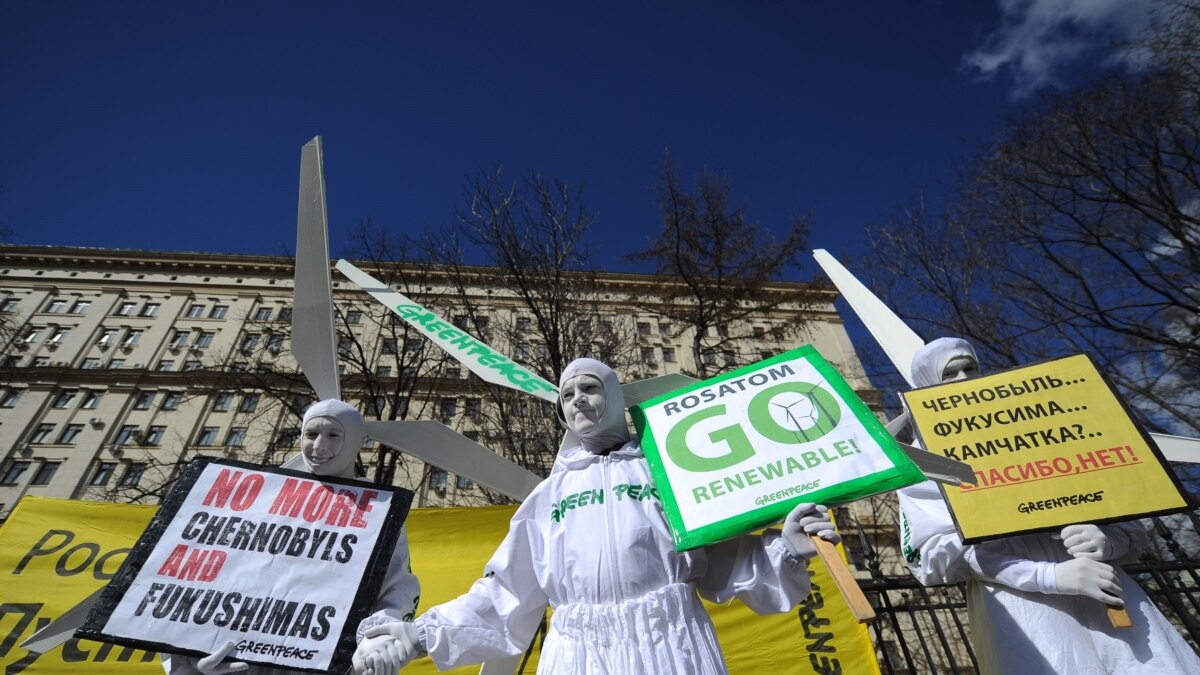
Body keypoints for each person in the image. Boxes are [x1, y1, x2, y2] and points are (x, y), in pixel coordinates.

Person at [353, 357, 840, 674]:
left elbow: (722, 558)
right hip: (577, 654)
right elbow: (507, 594)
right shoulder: (547, 498)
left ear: (614, 395)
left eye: (589, 387)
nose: (577, 400)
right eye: (566, 395)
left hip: (671, 646)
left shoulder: (667, 471)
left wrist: (786, 550)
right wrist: (416, 636)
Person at [898, 337, 1200, 673]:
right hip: (1024, 611)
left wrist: (1106, 540)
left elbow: (1128, 521)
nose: (964, 380)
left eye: (970, 368)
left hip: (1109, 594)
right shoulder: (925, 461)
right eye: (949, 375)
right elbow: (940, 554)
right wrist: (1048, 576)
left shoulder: (1051, 428)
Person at [164, 399, 420, 675]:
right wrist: (187, 657)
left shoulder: (378, 511)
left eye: (333, 435)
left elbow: (397, 588)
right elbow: (201, 573)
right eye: (311, 434)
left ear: (357, 442)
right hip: (241, 661)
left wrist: (378, 637)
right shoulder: (259, 496)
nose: (319, 446)